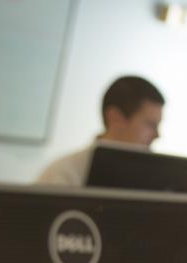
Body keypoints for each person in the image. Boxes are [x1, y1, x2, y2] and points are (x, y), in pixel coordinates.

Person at [37, 75, 165, 186]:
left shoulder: (161, 179)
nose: (157, 135)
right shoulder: (63, 175)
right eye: (150, 124)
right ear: (115, 118)